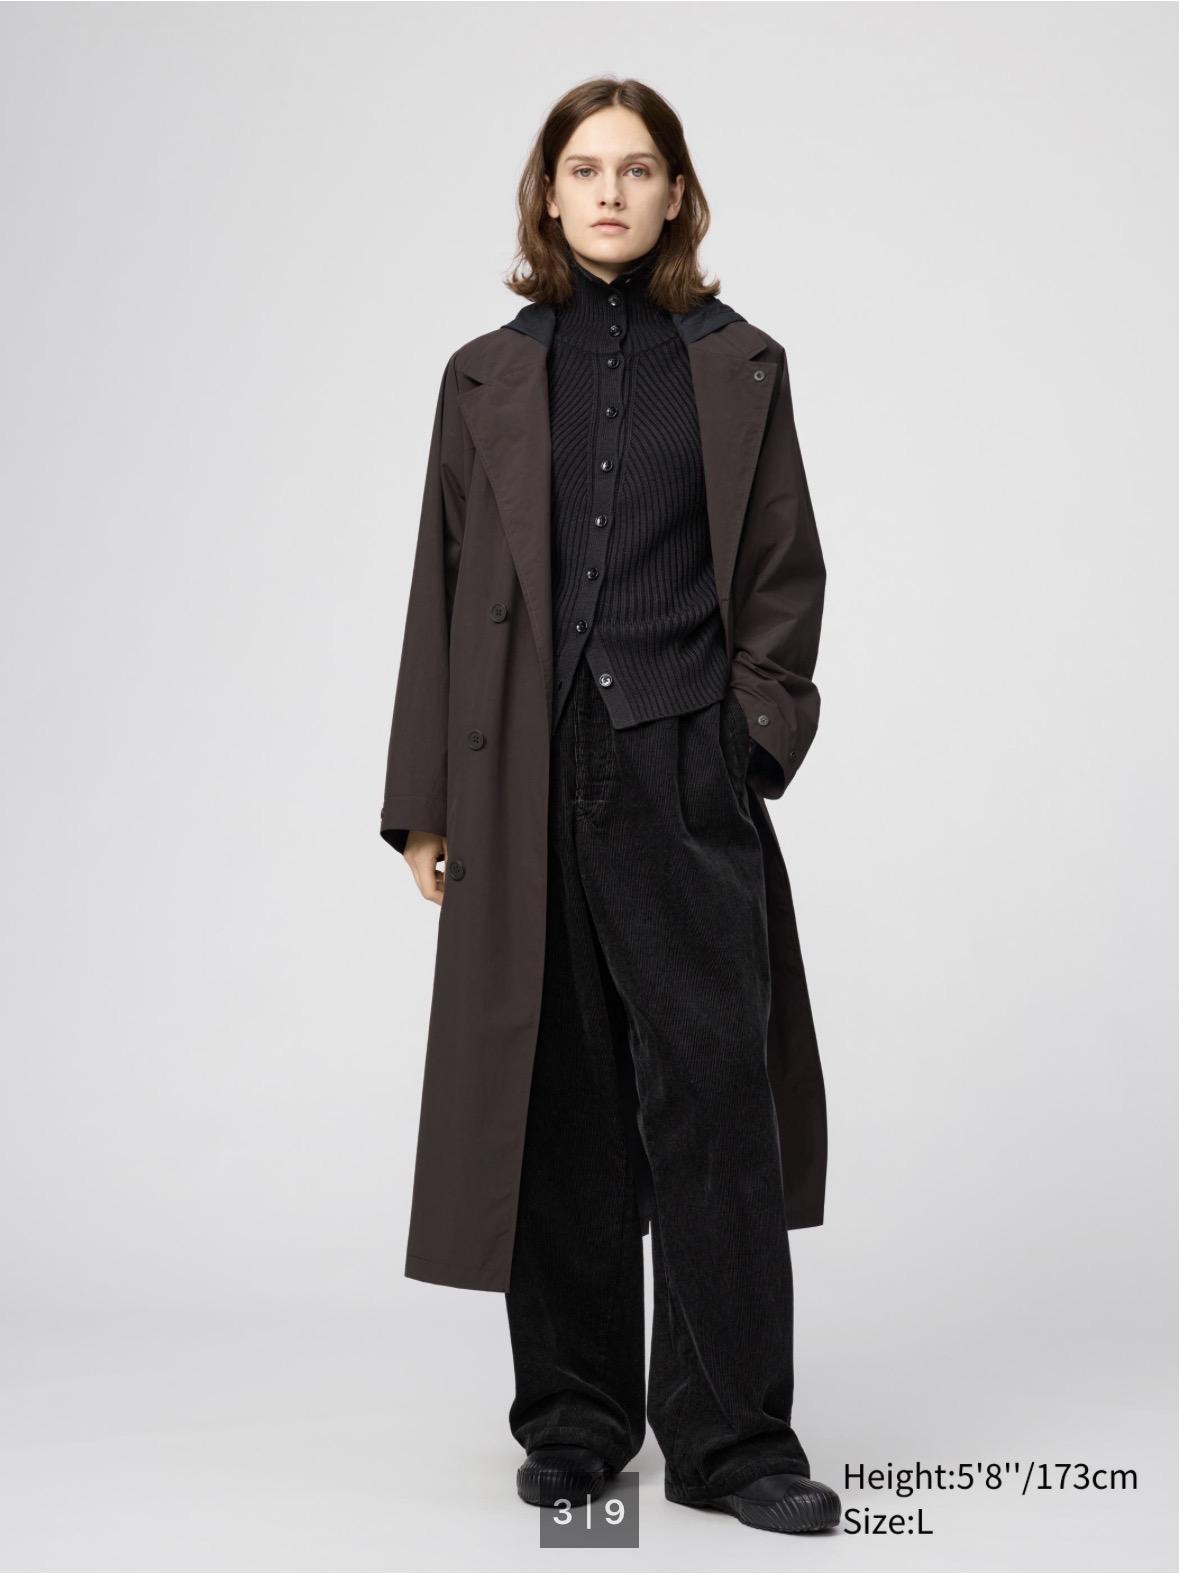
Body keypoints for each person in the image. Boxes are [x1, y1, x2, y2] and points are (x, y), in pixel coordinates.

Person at [380, 77, 839, 1537]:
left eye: (638, 170)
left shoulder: (742, 364)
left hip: (682, 763)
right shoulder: (483, 377)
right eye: (585, 169)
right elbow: (441, 588)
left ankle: (732, 1440)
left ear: (675, 195)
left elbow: (784, 575)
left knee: (713, 1098)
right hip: (522, 770)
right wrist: (428, 802)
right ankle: (577, 1425)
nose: (610, 194)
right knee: (557, 1097)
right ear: (547, 194)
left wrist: (744, 742)